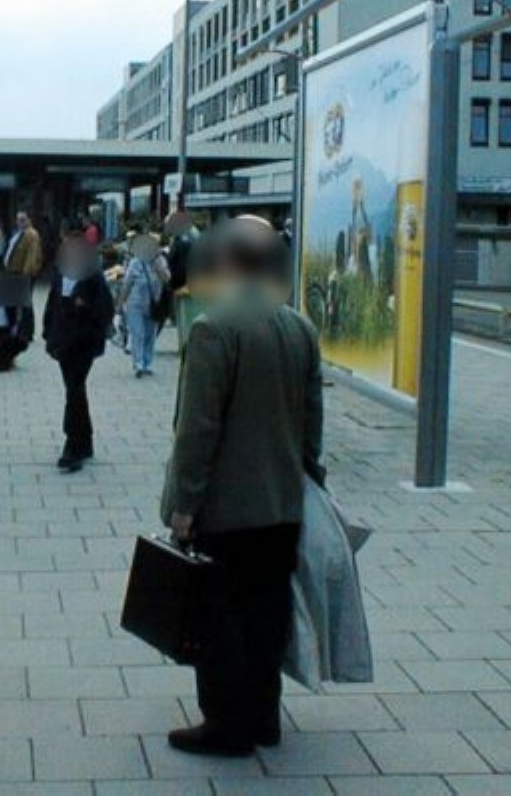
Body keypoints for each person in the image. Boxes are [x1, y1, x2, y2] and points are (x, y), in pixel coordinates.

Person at [160, 217, 325, 758]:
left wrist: (185, 504)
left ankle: (226, 726)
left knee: (221, 616)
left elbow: (198, 429)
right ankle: (263, 716)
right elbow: (312, 420)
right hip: (284, 503)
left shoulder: (214, 329)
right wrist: (308, 477)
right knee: (268, 613)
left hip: (228, 507)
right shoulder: (299, 327)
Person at [42, 235, 115, 472]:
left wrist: (85, 309)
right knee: (75, 390)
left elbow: (105, 310)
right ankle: (84, 440)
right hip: (63, 342)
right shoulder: (59, 273)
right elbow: (52, 304)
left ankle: (73, 445)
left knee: (74, 390)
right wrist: (47, 333)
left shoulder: (93, 277)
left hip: (84, 343)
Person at [118, 233, 170, 378]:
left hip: (154, 304)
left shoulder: (160, 261)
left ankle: (147, 363)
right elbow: (127, 284)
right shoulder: (135, 262)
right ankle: (138, 364)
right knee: (138, 334)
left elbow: (167, 279)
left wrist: (159, 266)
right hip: (135, 304)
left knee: (150, 335)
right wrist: (121, 302)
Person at [4, 211, 43, 342]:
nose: (20, 222)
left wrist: (26, 274)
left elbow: (32, 256)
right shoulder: (20, 233)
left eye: (23, 219)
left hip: (23, 273)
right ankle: (17, 329)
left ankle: (26, 332)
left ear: (29, 220)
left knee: (24, 303)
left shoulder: (31, 234)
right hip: (14, 272)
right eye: (18, 219)